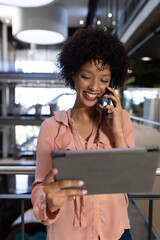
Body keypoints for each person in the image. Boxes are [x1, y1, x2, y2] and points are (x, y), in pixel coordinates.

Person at [31, 27, 135, 240]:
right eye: (87, 76)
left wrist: (117, 130)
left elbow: (128, 179)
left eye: (104, 80)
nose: (95, 87)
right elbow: (41, 185)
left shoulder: (120, 118)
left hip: (115, 232)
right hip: (69, 234)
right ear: (74, 75)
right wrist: (48, 202)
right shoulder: (51, 127)